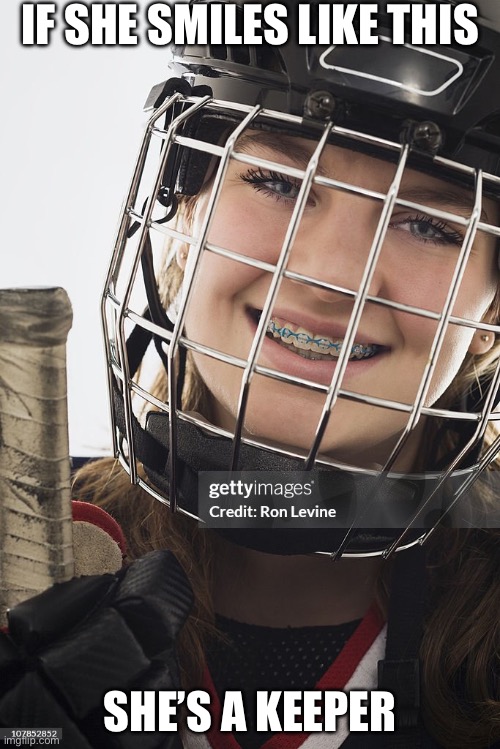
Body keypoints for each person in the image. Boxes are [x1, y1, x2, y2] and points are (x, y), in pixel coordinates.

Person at [3, 0, 500, 747]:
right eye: (277, 181)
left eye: (429, 224)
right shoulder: (27, 560)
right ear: (187, 200)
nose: (332, 277)